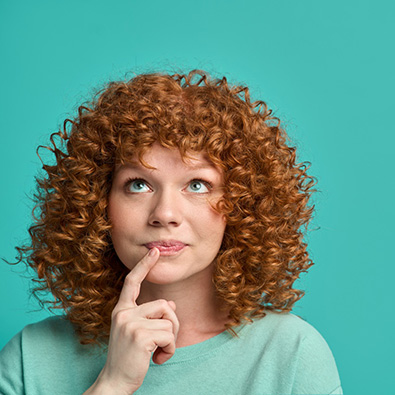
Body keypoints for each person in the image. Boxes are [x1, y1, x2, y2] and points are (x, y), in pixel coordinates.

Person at [0, 70, 343, 394]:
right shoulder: (31, 359)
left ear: (241, 205)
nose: (164, 214)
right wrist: (111, 384)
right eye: (138, 184)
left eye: (197, 185)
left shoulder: (291, 354)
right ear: (97, 203)